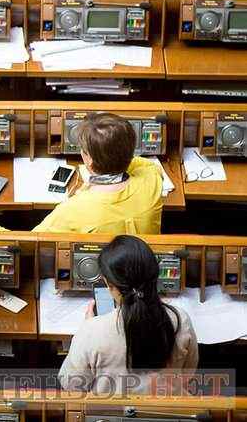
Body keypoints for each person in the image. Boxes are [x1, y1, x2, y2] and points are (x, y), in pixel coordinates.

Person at [58, 235, 198, 395]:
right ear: (154, 275)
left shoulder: (92, 331)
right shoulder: (181, 319)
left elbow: (71, 384)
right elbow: (188, 374)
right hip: (170, 413)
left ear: (109, 285)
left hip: (106, 417)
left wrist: (88, 328)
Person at [32, 112, 163, 234]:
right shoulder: (151, 179)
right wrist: (119, 155)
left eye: (83, 150)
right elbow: (143, 163)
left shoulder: (71, 210)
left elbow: (32, 240)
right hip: (144, 257)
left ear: (89, 159)